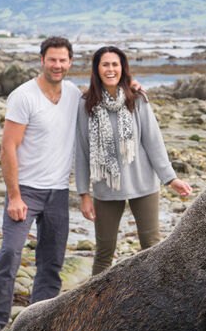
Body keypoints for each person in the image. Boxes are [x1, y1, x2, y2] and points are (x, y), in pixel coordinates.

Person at [0, 36, 80, 331]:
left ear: (70, 62)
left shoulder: (73, 94)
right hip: (26, 192)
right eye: (52, 60)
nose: (57, 65)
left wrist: (133, 88)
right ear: (42, 61)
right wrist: (14, 196)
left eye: (62, 60)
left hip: (59, 193)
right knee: (9, 253)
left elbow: (104, 100)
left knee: (51, 264)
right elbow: (8, 148)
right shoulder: (24, 96)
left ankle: (40, 326)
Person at [76, 45, 192, 275]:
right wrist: (84, 194)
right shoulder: (85, 104)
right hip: (106, 187)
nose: (110, 69)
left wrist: (171, 179)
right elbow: (81, 150)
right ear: (97, 69)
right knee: (104, 252)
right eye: (105, 64)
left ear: (122, 68)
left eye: (115, 64)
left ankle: (161, 301)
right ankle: (95, 307)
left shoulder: (137, 99)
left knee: (152, 247)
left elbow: (153, 142)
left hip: (143, 184)